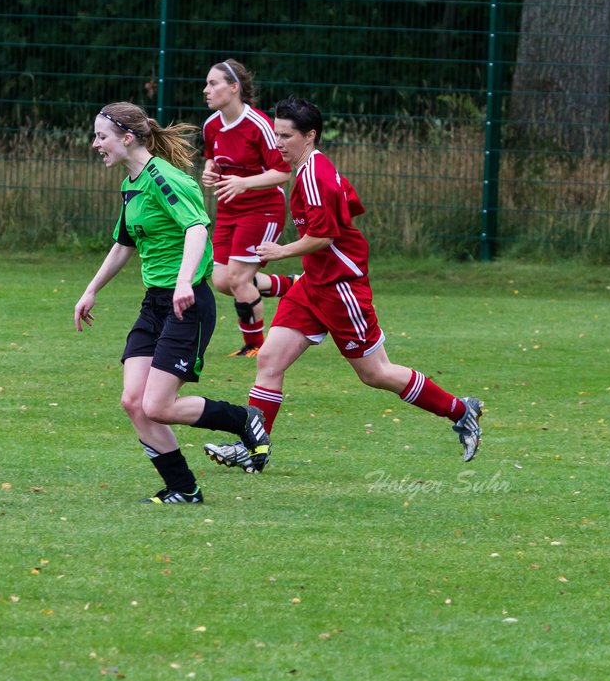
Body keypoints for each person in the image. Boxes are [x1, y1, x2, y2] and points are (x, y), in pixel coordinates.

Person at [202, 96, 483, 467]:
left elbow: (326, 237)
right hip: (315, 285)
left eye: (285, 136)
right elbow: (344, 211)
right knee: (269, 359)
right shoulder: (309, 171)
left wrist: (281, 250)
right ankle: (254, 449)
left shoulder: (314, 176)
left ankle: (460, 411)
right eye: (276, 135)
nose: (278, 143)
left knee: (375, 373)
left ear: (310, 136)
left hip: (341, 289)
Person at [74, 102, 271, 504]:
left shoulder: (165, 179)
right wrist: (91, 289)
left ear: (127, 138)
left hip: (188, 303)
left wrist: (183, 282)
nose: (96, 144)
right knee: (134, 402)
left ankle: (243, 418)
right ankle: (184, 489)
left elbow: (196, 228)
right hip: (156, 303)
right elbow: (124, 243)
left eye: (101, 136)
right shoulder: (132, 182)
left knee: (158, 405)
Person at [200, 59, 298, 358]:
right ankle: (294, 286)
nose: (206, 90)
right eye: (206, 83)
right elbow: (213, 159)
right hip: (230, 210)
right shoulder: (212, 125)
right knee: (221, 280)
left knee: (239, 279)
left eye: (213, 83)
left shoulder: (259, 125)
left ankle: (255, 345)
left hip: (263, 209)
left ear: (234, 87)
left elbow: (282, 172)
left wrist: (244, 183)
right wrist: (209, 171)